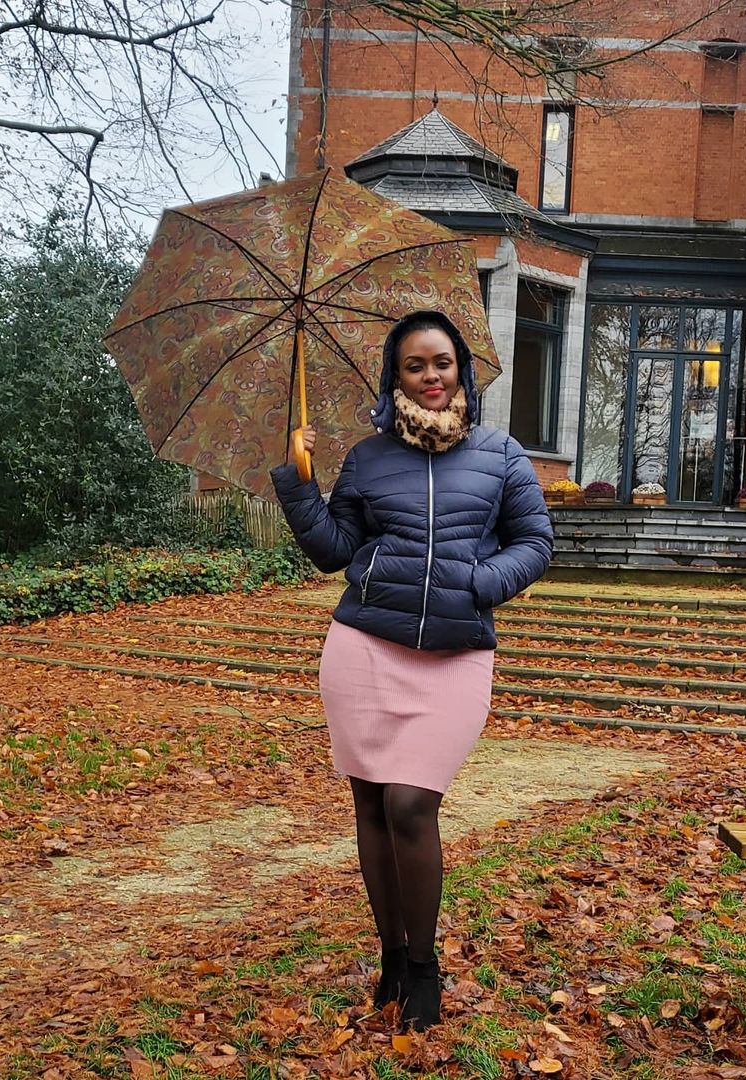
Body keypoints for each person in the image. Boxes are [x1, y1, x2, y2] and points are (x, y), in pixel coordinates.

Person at [270, 309, 553, 1031]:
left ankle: (424, 968)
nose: (431, 376)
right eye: (415, 365)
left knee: (410, 804)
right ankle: (391, 957)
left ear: (462, 369)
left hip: (457, 653)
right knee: (370, 804)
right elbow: (335, 550)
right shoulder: (368, 457)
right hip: (366, 646)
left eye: (442, 362)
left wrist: (479, 583)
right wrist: (300, 483)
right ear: (394, 376)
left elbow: (534, 541)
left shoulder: (500, 454)